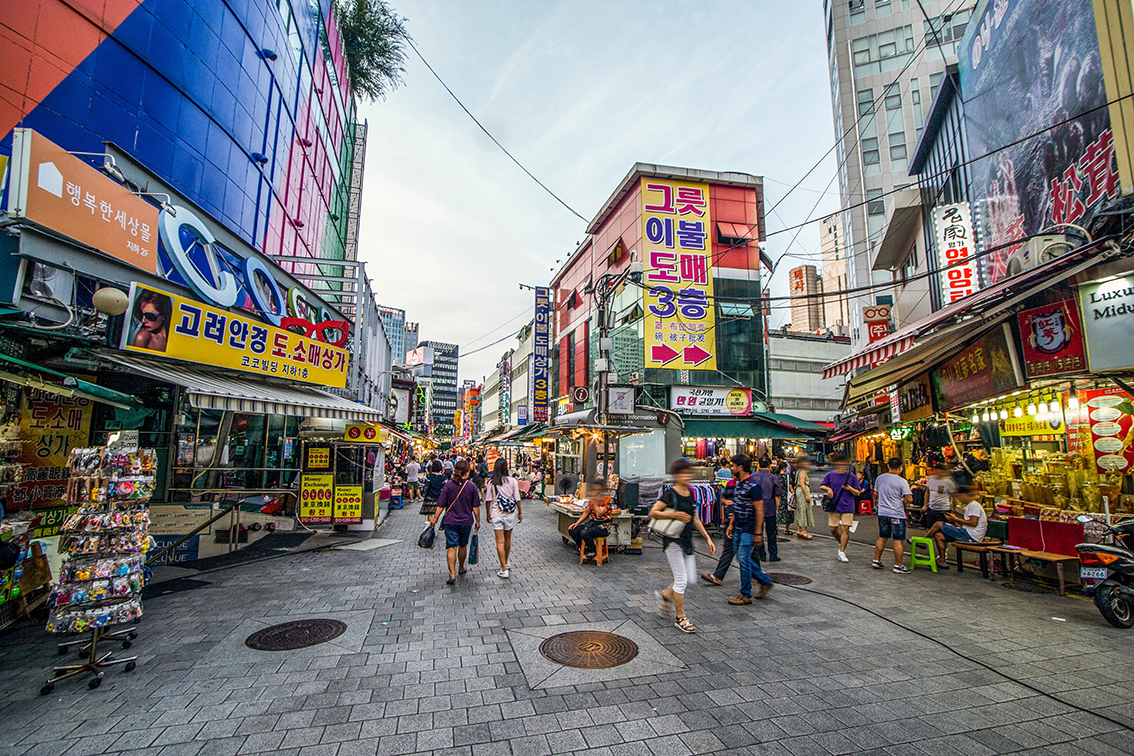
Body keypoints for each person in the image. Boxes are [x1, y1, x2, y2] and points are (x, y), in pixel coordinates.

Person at [650, 459, 715, 633]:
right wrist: (676, 515)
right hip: (673, 540)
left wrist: (707, 537)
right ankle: (680, 617)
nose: (687, 476)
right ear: (677, 475)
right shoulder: (670, 494)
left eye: (689, 473)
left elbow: (695, 518)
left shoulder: (691, 493)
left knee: (689, 578)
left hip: (687, 540)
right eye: (684, 473)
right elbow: (653, 512)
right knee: (681, 579)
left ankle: (665, 594)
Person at [727, 454, 774, 605]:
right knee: (742, 558)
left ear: (740, 467)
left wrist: (758, 533)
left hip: (749, 527)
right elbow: (738, 505)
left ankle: (745, 594)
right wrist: (731, 524)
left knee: (743, 558)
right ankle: (764, 581)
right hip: (739, 527)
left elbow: (759, 510)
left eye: (733, 465)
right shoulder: (738, 484)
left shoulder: (753, 486)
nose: (730, 468)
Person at [429, 458, 482, 585]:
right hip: (466, 521)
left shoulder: (448, 486)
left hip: (450, 521)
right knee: (462, 545)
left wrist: (435, 518)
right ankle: (461, 567)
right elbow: (475, 507)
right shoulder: (471, 486)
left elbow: (441, 505)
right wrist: (478, 521)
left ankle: (452, 574)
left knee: (451, 547)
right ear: (467, 472)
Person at [927, 485, 987, 564]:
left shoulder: (973, 505)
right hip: (968, 533)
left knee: (938, 524)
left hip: (971, 536)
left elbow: (973, 523)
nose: (959, 499)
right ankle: (942, 560)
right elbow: (969, 524)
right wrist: (956, 523)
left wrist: (956, 519)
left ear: (966, 494)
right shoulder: (970, 505)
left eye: (960, 496)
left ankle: (924, 541)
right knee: (938, 535)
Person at [873, 458, 912, 574]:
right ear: (900, 468)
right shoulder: (902, 481)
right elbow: (909, 498)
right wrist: (903, 499)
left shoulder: (880, 478)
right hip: (896, 513)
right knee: (898, 540)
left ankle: (877, 560)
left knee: (882, 537)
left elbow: (875, 493)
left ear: (888, 466)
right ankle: (898, 565)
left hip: (883, 512)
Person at [485, 458, 522, 578]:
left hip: (496, 514)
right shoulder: (512, 481)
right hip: (510, 514)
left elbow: (488, 500)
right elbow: (517, 499)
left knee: (499, 541)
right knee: (508, 539)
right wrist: (520, 513)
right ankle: (505, 561)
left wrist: (487, 513)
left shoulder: (492, 483)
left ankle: (503, 568)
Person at [820, 453, 860, 563]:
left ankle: (842, 551)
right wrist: (828, 489)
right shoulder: (830, 475)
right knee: (833, 529)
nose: (842, 466)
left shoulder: (852, 477)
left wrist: (850, 488)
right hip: (834, 505)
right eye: (840, 464)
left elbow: (857, 492)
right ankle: (842, 542)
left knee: (845, 528)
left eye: (844, 464)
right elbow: (822, 485)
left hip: (848, 506)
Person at [701, 472, 737, 586]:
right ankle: (718, 576)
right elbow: (722, 499)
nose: (732, 469)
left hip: (743, 523)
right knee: (730, 549)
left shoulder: (749, 484)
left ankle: (759, 578)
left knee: (748, 552)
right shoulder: (730, 483)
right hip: (730, 520)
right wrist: (727, 502)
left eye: (733, 466)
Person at [568, 480, 614, 561]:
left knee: (584, 533)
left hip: (603, 526)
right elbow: (587, 512)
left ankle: (593, 550)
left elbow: (599, 513)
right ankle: (586, 549)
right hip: (592, 523)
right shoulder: (592, 500)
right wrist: (577, 523)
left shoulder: (607, 500)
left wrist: (595, 502)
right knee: (573, 530)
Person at [752, 457, 784, 563]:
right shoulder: (773, 478)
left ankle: (761, 554)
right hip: (770, 507)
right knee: (771, 532)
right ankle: (773, 554)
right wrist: (776, 508)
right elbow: (777, 495)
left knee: (758, 531)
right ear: (769, 466)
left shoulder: (753, 477)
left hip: (756, 508)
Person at [922, 462, 956, 529]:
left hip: (943, 509)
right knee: (929, 528)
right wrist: (925, 505)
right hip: (932, 508)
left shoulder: (949, 482)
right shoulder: (931, 479)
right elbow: (927, 492)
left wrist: (953, 510)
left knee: (941, 529)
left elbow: (953, 497)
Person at [793, 455, 814, 539]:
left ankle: (799, 530)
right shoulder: (803, 472)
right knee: (804, 510)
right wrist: (806, 495)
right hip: (802, 492)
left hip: (798, 491)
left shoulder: (798, 471)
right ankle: (804, 531)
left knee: (799, 510)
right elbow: (802, 483)